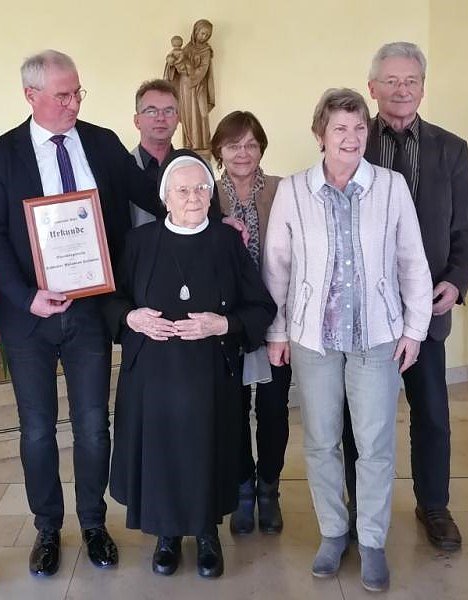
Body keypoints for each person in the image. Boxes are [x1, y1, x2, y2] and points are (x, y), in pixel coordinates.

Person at [0, 50, 161, 578]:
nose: (74, 103)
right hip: (29, 317)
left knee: (93, 427)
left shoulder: (101, 143)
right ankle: (47, 528)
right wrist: (24, 295)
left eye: (78, 92)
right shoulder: (2, 154)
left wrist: (209, 214)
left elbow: (151, 193)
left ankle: (95, 524)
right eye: (63, 95)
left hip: (90, 313)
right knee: (37, 430)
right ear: (30, 95)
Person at [263, 88, 432, 592]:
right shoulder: (295, 190)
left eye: (359, 128)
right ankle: (334, 532)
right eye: (340, 128)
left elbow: (411, 260)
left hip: (377, 336)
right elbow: (277, 268)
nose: (351, 137)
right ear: (320, 135)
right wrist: (277, 330)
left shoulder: (391, 186)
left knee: (375, 443)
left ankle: (373, 539)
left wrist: (414, 329)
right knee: (321, 440)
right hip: (313, 338)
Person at [105, 150, 276, 578]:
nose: (193, 197)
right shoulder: (140, 242)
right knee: (161, 453)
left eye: (201, 188)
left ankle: (205, 533)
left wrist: (223, 323)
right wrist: (131, 317)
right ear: (166, 197)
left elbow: (260, 306)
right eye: (182, 190)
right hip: (152, 377)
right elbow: (111, 299)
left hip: (209, 374)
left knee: (205, 451)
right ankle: (165, 535)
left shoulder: (226, 242)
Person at [342, 41, 468, 552]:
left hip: (426, 312)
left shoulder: (451, 149)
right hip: (365, 312)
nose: (402, 90)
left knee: (431, 415)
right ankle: (359, 507)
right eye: (391, 81)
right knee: (359, 418)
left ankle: (434, 504)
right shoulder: (352, 140)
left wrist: (456, 280)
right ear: (372, 87)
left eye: (411, 81)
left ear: (423, 87)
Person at [210, 110, 290, 535]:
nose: (242, 153)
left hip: (276, 319)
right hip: (229, 323)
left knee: (274, 408)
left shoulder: (283, 190)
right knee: (234, 410)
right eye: (233, 145)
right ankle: (242, 488)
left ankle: (269, 489)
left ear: (261, 148)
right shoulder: (206, 194)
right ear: (219, 151)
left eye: (251, 144)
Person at [130, 79, 180, 226]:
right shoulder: (118, 171)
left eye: (168, 111)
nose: (161, 118)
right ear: (137, 121)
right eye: (151, 111)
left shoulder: (196, 168)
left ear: (178, 119)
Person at [166, 19, 215, 154]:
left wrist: (187, 66)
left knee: (202, 114)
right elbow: (174, 68)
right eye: (202, 33)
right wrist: (171, 63)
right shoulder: (186, 49)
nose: (204, 37)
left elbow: (202, 70)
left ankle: (203, 144)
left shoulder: (206, 51)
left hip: (199, 86)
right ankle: (189, 143)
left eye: (207, 35)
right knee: (188, 114)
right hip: (185, 86)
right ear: (195, 32)